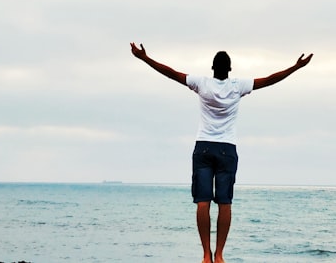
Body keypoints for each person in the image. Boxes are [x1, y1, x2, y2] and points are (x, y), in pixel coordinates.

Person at [129, 42, 313, 263]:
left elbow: (171, 73)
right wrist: (296, 67)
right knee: (225, 203)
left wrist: (144, 58)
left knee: (202, 202)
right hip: (227, 148)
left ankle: (206, 255)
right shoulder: (238, 86)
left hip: (203, 147)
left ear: (212, 68)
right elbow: (269, 79)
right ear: (230, 69)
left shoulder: (201, 83)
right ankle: (219, 255)